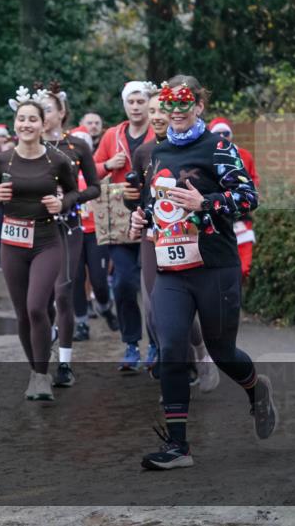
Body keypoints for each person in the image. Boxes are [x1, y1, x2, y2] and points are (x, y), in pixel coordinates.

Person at [129, 75, 275, 470]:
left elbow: (248, 198)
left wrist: (205, 201)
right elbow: (152, 203)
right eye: (169, 104)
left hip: (215, 266)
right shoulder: (157, 151)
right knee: (171, 345)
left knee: (222, 351)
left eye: (184, 104)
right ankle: (179, 447)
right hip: (172, 268)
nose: (175, 112)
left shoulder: (218, 147)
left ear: (198, 106)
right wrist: (140, 218)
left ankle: (255, 389)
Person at [0, 87, 78, 401]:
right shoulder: (1, 160)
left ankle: (41, 377)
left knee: (37, 306)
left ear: (43, 124)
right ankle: (35, 370)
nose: (26, 124)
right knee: (22, 314)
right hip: (11, 241)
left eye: (32, 119)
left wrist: (61, 202)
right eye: (21, 119)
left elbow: (75, 192)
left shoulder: (58, 159)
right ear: (15, 124)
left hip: (46, 240)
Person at [124, 92, 219, 389]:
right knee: (154, 312)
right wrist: (132, 207)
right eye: (153, 110)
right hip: (153, 239)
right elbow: (141, 200)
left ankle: (199, 356)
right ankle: (179, 370)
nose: (157, 115)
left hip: (187, 237)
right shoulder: (144, 152)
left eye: (162, 109)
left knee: (182, 307)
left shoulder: (199, 148)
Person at [39, 83, 100, 387]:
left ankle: (64, 364)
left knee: (63, 293)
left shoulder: (78, 146)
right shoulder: (23, 146)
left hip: (68, 228)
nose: (42, 114)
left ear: (62, 112)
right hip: (33, 230)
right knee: (39, 299)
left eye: (48, 108)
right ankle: (41, 354)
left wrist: (69, 198)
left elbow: (95, 187)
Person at [93, 81, 156, 372]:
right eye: (130, 102)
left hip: (152, 217)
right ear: (124, 105)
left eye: (140, 101)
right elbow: (90, 170)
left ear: (148, 104)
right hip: (118, 221)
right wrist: (108, 164)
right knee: (123, 283)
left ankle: (156, 344)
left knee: (154, 289)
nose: (136, 107)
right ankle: (131, 345)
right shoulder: (111, 135)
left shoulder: (159, 131)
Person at [68, 125, 117, 340]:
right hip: (73, 231)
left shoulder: (97, 170)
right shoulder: (63, 170)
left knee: (99, 280)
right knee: (76, 279)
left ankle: (105, 306)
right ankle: (81, 324)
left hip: (96, 232)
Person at [208, 117, 260, 279]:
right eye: (218, 134)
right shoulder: (205, 156)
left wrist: (251, 193)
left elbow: (253, 179)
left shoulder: (244, 155)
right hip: (215, 217)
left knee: (244, 266)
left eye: (226, 133)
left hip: (240, 216)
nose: (222, 137)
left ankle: (235, 292)